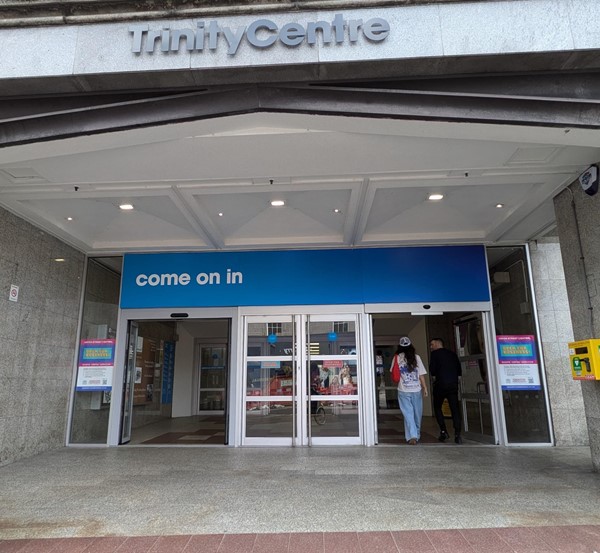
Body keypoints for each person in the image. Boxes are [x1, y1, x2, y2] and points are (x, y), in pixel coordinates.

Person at [391, 336, 428, 445]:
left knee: (409, 414)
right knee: (417, 414)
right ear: (411, 346)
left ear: (400, 347)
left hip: (403, 390)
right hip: (416, 389)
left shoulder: (397, 358)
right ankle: (413, 435)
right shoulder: (416, 357)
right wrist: (425, 387)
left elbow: (393, 373)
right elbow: (421, 374)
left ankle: (414, 435)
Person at [429, 338, 463, 444]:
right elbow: (459, 370)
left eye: (432, 344)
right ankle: (457, 434)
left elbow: (432, 370)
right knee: (455, 409)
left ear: (438, 344)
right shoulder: (452, 354)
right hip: (453, 385)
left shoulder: (435, 354)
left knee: (437, 407)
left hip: (440, 385)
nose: (430, 347)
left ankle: (443, 431)